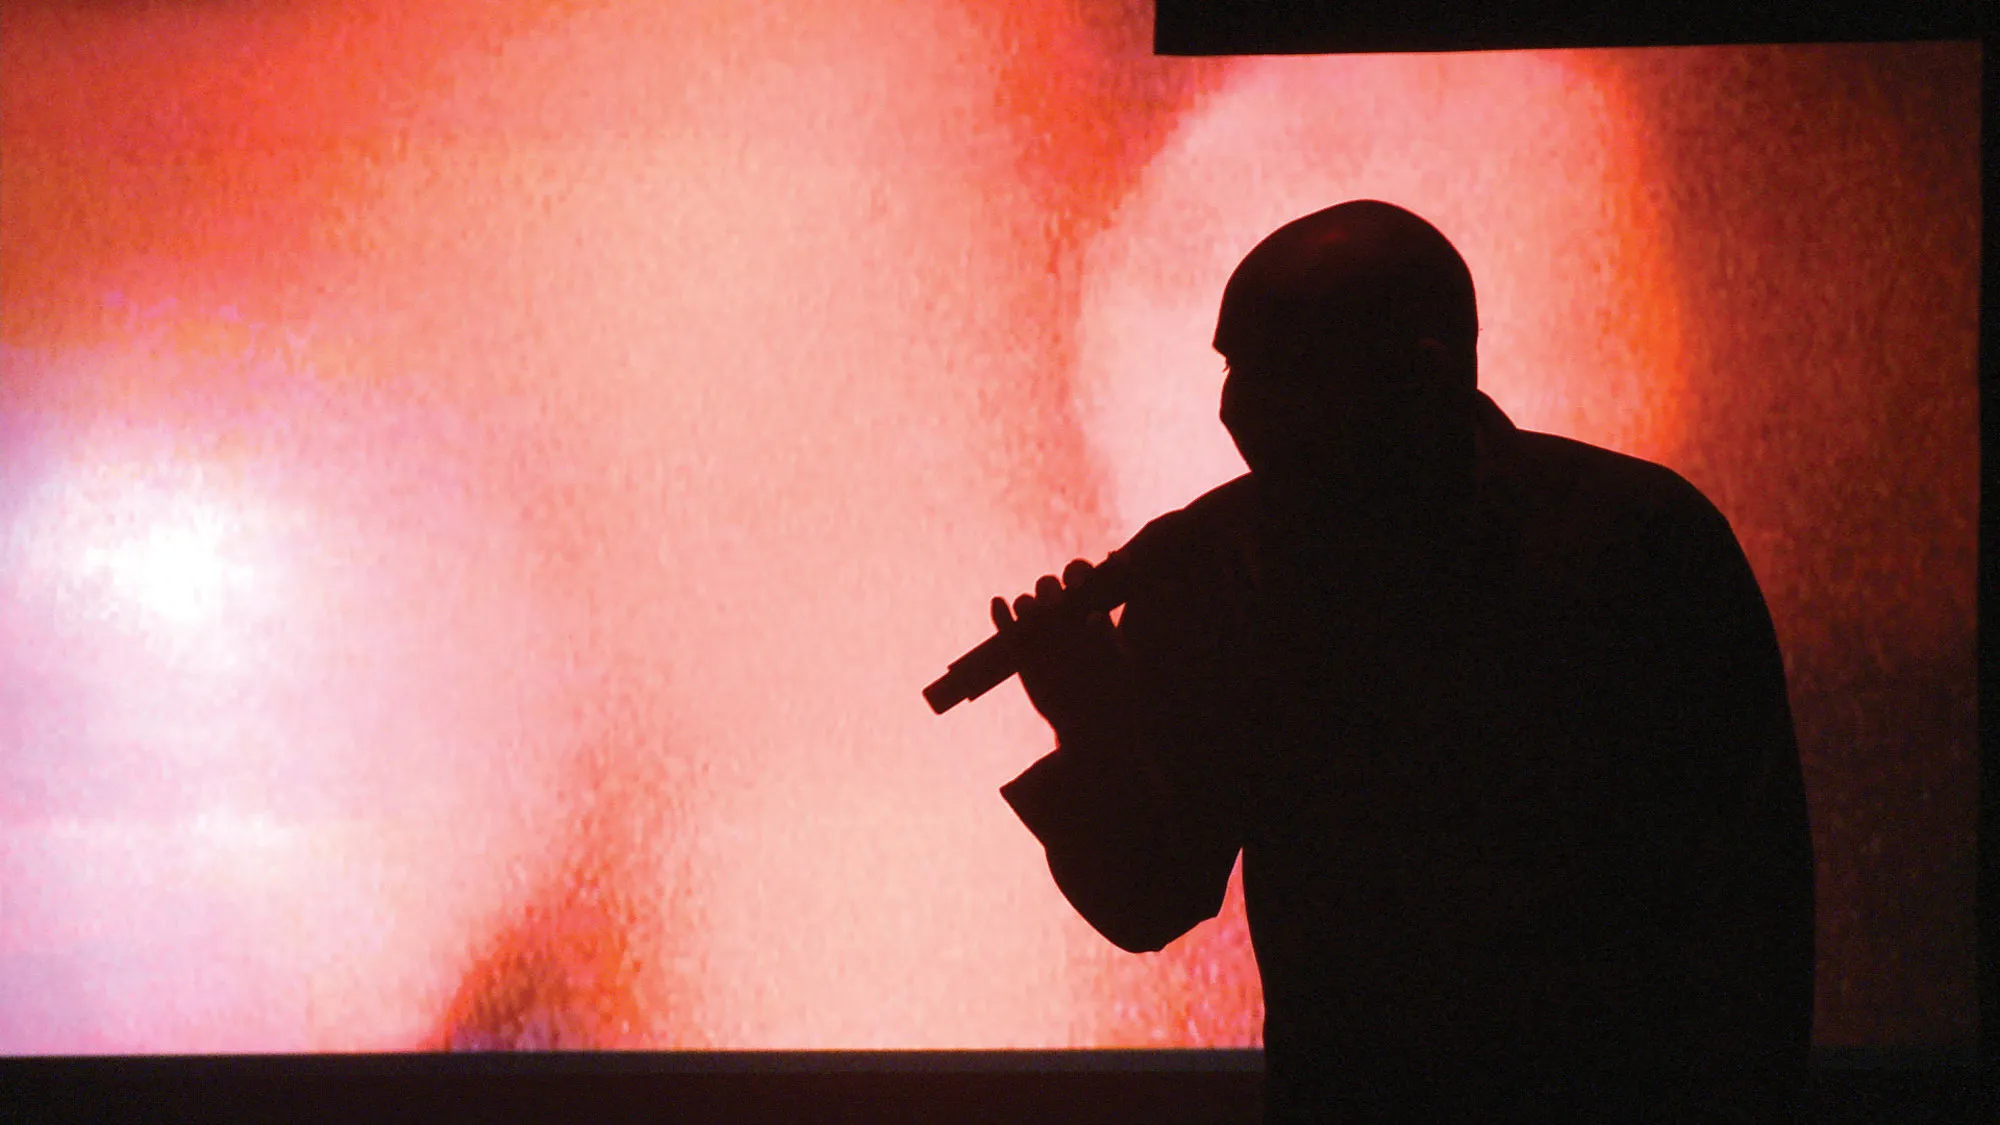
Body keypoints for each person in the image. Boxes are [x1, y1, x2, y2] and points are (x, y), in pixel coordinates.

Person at [992, 201, 1814, 1122]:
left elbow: (1749, 912)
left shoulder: (1638, 548)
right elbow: (1148, 897)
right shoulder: (1217, 570)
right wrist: (1092, 718)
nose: (1235, 410)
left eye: (1283, 372)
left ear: (1420, 375)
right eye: (1231, 367)